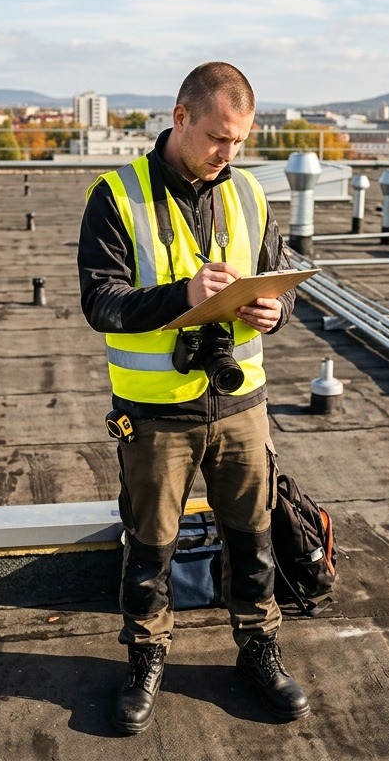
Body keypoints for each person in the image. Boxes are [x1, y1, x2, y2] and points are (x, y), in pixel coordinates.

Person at [77, 61, 308, 735]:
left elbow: (279, 279)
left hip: (241, 404)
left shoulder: (251, 193)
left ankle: (259, 648)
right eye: (217, 137)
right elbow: (100, 301)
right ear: (180, 118)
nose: (228, 153)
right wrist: (183, 296)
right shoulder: (116, 195)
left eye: (239, 141)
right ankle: (146, 658)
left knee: (254, 539)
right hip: (155, 414)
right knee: (150, 549)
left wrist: (275, 311)